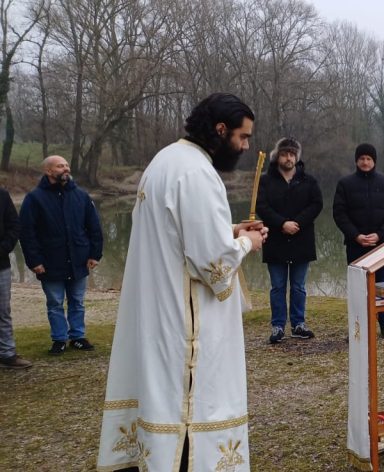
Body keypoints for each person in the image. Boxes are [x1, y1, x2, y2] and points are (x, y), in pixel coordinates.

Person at [96, 93, 267, 472]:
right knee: (187, 407)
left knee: (160, 397)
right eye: (242, 137)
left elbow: (177, 235)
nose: (245, 146)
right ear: (220, 130)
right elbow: (212, 265)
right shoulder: (198, 174)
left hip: (156, 310)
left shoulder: (165, 160)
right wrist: (247, 242)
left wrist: (231, 230)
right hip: (183, 321)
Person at [19, 155, 103, 355]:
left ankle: (78, 337)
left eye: (66, 165)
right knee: (55, 303)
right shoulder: (34, 199)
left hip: (79, 259)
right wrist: (34, 261)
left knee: (77, 301)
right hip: (50, 261)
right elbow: (27, 233)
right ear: (48, 171)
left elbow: (94, 227)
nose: (66, 169)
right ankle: (59, 339)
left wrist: (95, 254)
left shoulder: (81, 196)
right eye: (60, 166)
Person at [256, 137, 323, 344]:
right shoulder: (265, 180)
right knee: (277, 286)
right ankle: (278, 326)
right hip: (275, 240)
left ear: (297, 157)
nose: (288, 158)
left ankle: (298, 324)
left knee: (298, 286)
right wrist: (282, 223)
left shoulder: (308, 181)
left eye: (292, 154)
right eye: (284, 154)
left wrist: (298, 223)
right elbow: (261, 206)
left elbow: (316, 204)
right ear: (277, 156)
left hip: (301, 240)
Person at [333, 143, 384, 339]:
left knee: (383, 285)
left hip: (381, 245)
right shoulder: (345, 184)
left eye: (368, 159)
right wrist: (356, 235)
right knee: (358, 287)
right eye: (362, 158)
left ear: (374, 161)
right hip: (356, 245)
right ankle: (358, 325)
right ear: (356, 161)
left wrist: (380, 235)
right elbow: (339, 213)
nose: (365, 162)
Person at [0, 186, 31, 369]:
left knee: (2, 312)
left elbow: (14, 225)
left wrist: (3, 248)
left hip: (1, 266)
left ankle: (7, 354)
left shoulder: (2, 195)